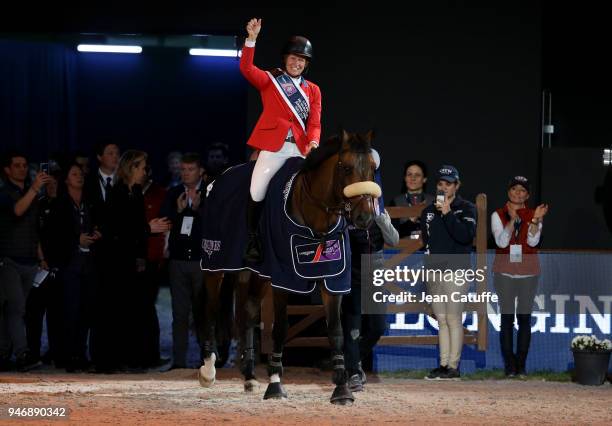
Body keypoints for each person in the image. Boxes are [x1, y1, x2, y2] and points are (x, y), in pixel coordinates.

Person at [240, 18, 322, 262]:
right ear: (285, 59)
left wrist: (314, 142)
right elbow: (246, 69)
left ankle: (314, 236)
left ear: (306, 64)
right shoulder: (271, 80)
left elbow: (314, 124)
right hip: (274, 148)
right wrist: (251, 40)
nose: (297, 63)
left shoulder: (313, 90)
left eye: (302, 60)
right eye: (293, 58)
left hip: (299, 149)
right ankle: (252, 239)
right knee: (257, 189)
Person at [342, 149, 399, 392]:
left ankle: (349, 361)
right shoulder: (345, 211)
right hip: (351, 270)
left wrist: (381, 218)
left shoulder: (379, 209)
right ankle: (354, 372)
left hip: (374, 269)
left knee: (377, 327)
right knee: (352, 326)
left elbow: (394, 241)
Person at [420, 165, 476, 380]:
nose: (444, 187)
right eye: (441, 184)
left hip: (456, 271)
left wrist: (447, 213)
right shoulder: (428, 212)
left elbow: (465, 236)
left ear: (457, 185)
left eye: (449, 184)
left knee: (453, 318)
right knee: (441, 319)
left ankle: (454, 365)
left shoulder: (467, 208)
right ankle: (443, 365)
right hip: (434, 271)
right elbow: (428, 242)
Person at [491, 176, 548, 377]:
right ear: (508, 192)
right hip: (504, 272)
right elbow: (501, 242)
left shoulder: (534, 214)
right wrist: (511, 222)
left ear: (528, 195)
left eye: (522, 190)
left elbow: (533, 242)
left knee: (524, 319)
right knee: (506, 320)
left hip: (528, 273)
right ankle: (509, 366)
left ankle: (521, 365)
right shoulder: (497, 215)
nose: (518, 193)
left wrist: (534, 220)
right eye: (514, 189)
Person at [0, 151, 50, 371]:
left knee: (13, 310)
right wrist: (34, 188)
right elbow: (17, 211)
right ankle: (22, 353)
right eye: (17, 165)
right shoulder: (4, 193)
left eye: (24, 165)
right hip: (9, 259)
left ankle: (4, 352)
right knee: (17, 308)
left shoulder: (31, 194)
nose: (22, 168)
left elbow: (34, 229)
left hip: (30, 259)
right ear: (7, 170)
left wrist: (41, 257)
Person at [160, 153, 206, 369]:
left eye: (190, 169)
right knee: (179, 314)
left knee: (202, 313)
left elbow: (216, 224)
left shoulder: (208, 193)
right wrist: (178, 212)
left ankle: (206, 360)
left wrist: (199, 210)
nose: (186, 173)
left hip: (200, 261)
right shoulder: (173, 193)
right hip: (178, 260)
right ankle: (179, 363)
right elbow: (164, 221)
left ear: (200, 171)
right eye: (183, 170)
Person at [390, 160, 434, 238]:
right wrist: (411, 221)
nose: (413, 178)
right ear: (405, 178)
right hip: (404, 249)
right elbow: (391, 235)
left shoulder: (433, 201)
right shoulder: (395, 202)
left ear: (424, 179)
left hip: (429, 249)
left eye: (417, 175)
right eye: (409, 174)